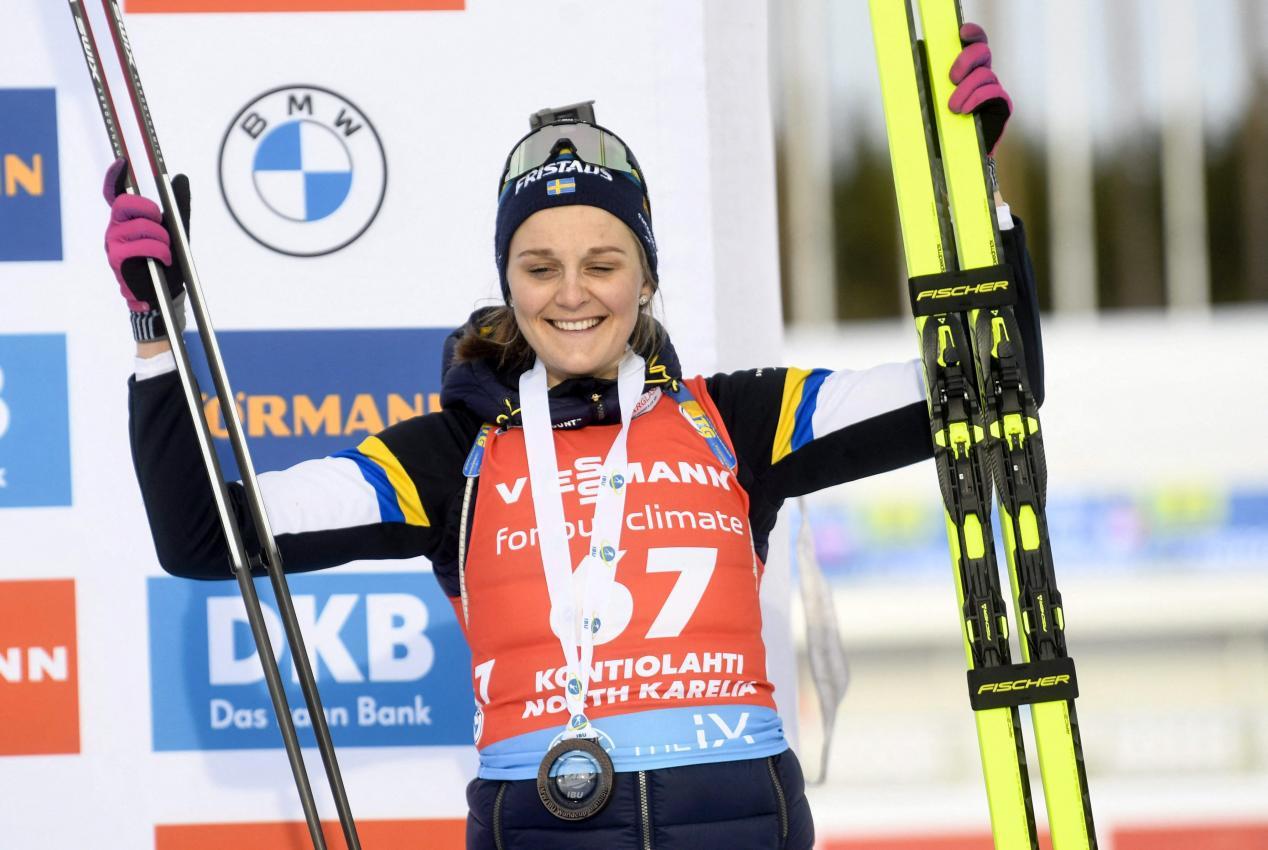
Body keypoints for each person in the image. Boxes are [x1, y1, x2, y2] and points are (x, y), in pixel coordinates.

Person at [105, 24, 1039, 850]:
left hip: (740, 820)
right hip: (546, 821)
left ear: (646, 275)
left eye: (604, 262)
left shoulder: (738, 421)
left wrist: (978, 196)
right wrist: (158, 340)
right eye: (539, 265)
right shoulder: (448, 460)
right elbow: (202, 536)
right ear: (507, 279)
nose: (573, 292)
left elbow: (993, 394)